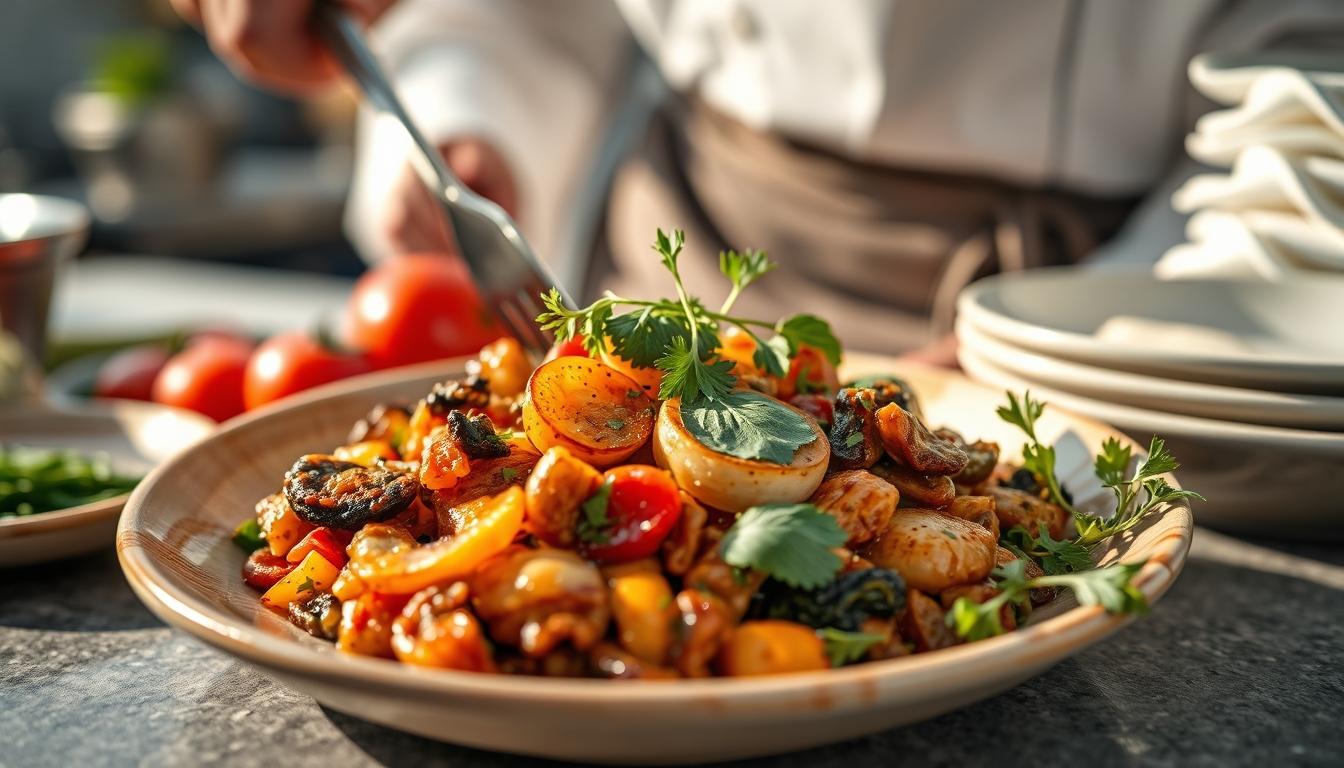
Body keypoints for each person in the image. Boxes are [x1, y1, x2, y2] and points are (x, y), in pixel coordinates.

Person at [171, 0, 1343, 359]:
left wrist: (1077, 347)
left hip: (1128, 282)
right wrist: (470, 106)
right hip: (670, 246)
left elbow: (1312, 89)